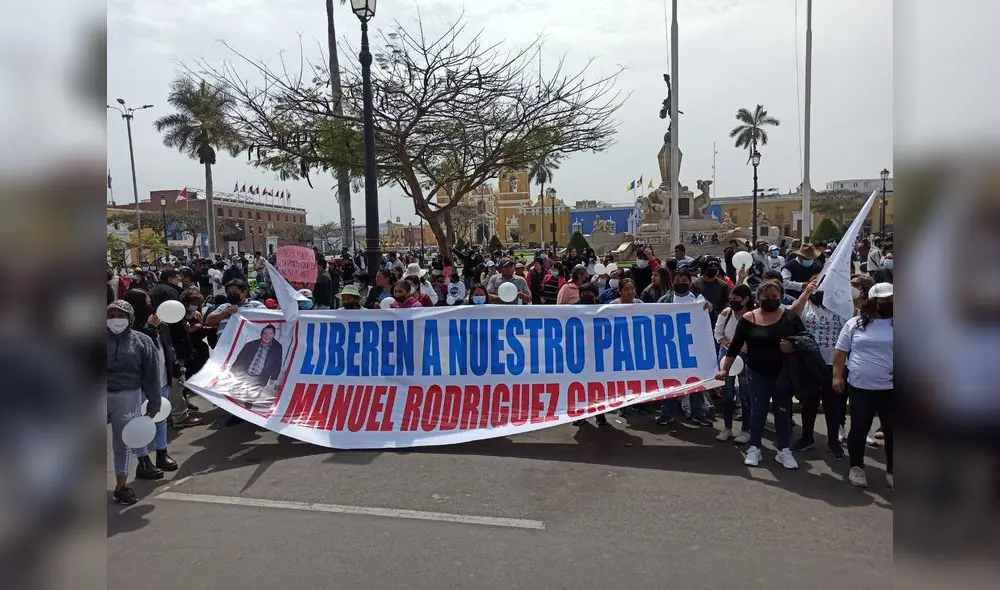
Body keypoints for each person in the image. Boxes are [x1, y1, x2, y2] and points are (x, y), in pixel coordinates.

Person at [716, 280, 805, 469]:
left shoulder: (790, 317)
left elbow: (805, 340)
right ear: (758, 298)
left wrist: (793, 346)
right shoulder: (749, 319)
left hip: (782, 373)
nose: (771, 299)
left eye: (775, 296)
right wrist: (725, 369)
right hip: (756, 372)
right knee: (758, 410)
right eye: (767, 297)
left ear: (780, 296)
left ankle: (783, 450)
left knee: (782, 411)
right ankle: (754, 447)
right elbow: (735, 346)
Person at [833, 282, 894, 489]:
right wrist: (837, 377)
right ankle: (856, 467)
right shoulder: (855, 324)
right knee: (859, 427)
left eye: (891, 300)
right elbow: (841, 352)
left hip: (891, 389)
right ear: (873, 301)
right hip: (861, 386)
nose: (888, 303)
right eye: (884, 300)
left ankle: (893, 470)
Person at [107, 300, 162, 505]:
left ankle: (121, 486)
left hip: (127, 397)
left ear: (129, 318)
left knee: (122, 443)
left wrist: (154, 402)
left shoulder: (142, 341)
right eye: (111, 316)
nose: (115, 320)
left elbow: (151, 375)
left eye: (119, 316)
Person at [789, 278, 846, 458]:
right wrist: (806, 293)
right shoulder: (805, 306)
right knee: (809, 403)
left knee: (833, 405)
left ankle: (833, 441)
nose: (819, 294)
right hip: (809, 363)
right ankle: (807, 438)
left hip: (833, 365)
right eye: (816, 290)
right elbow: (790, 315)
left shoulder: (840, 307)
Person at [714, 284, 752, 443]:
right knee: (727, 393)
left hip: (746, 356)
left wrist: (746, 347)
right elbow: (718, 334)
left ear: (745, 300)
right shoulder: (726, 313)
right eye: (730, 299)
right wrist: (730, 346)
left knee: (745, 393)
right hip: (727, 356)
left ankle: (745, 430)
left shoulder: (752, 315)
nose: (732, 302)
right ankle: (727, 428)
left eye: (736, 300)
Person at [230, 324, 285, 396]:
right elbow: (240, 359)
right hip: (246, 374)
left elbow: (277, 363)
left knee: (253, 396)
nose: (267, 336)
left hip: (261, 377)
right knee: (237, 393)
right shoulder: (250, 344)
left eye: (270, 333)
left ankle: (249, 402)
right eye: (265, 333)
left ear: (274, 335)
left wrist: (274, 377)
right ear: (261, 334)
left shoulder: (277, 347)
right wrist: (232, 371)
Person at [692, 257, 730, 324]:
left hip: (717, 321)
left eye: (715, 267)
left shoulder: (723, 285)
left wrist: (722, 315)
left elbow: (726, 302)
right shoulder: (695, 285)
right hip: (700, 320)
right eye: (710, 267)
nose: (713, 269)